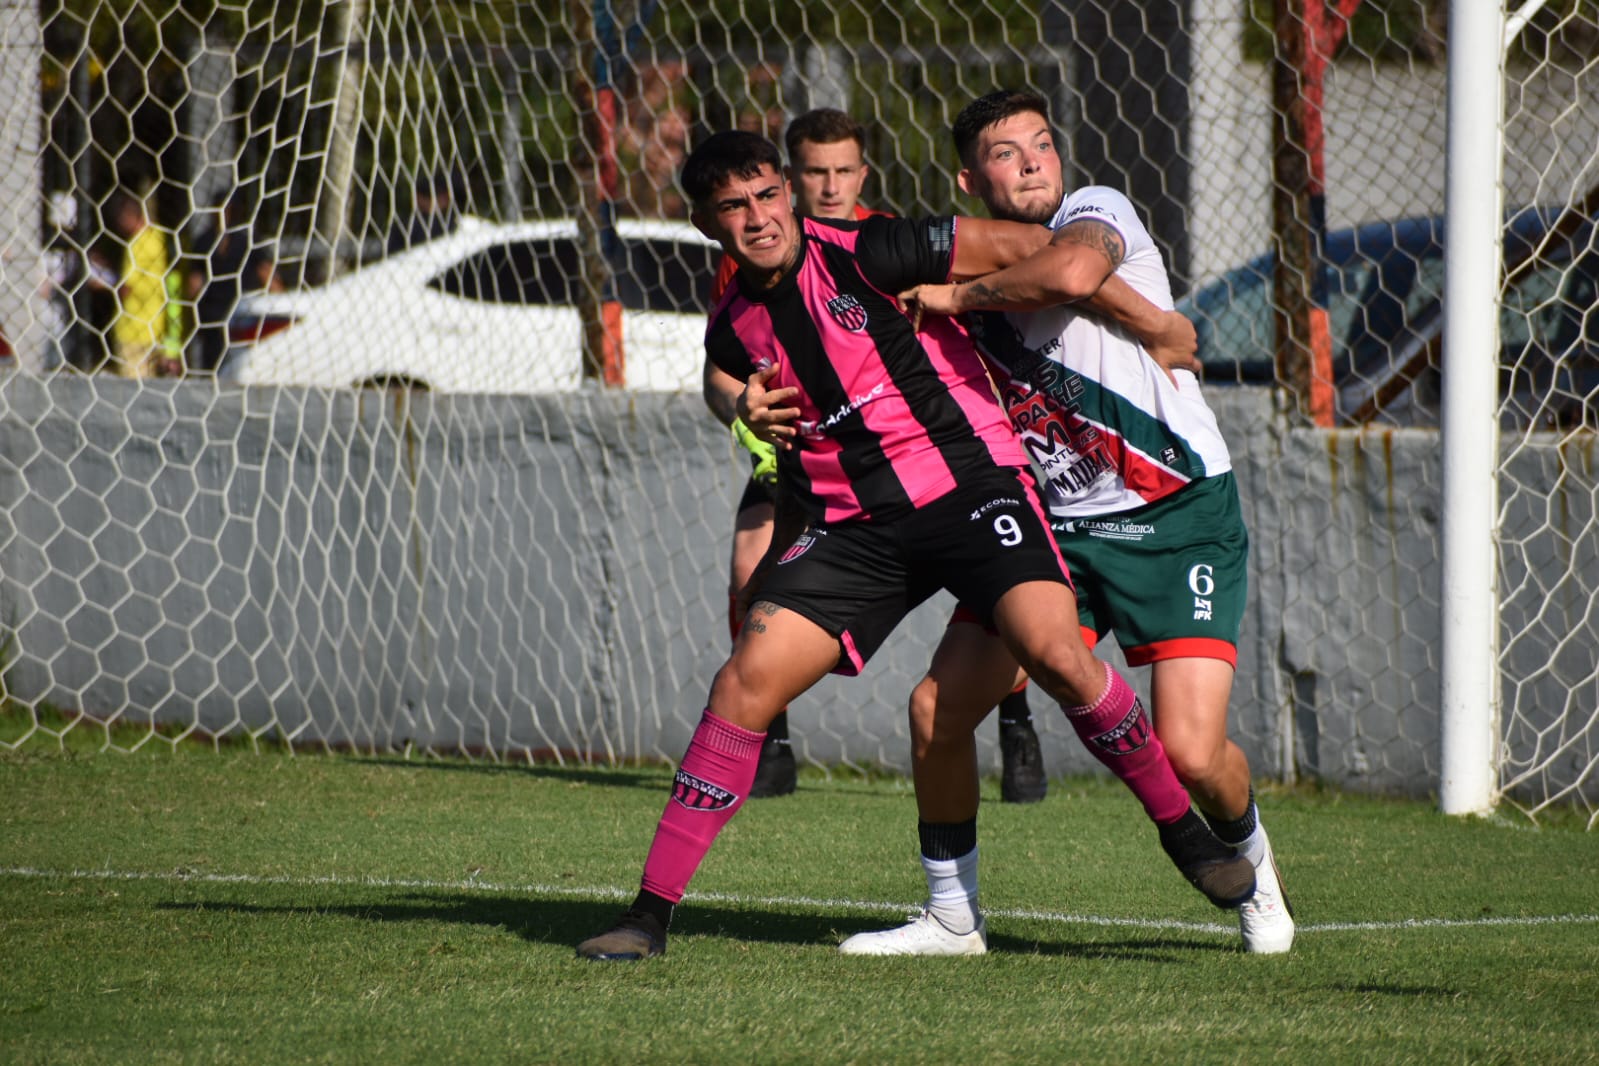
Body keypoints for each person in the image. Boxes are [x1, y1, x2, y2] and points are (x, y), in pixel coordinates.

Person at [575, 130, 1255, 962]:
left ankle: (1184, 835)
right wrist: (743, 413)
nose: (756, 218)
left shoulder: (874, 247)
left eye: (764, 195)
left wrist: (1144, 322)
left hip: (973, 492)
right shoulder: (732, 327)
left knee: (1054, 652)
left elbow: (1042, 251)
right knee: (744, 680)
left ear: (787, 193)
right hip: (855, 529)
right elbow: (732, 390)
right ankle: (647, 914)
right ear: (707, 224)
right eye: (732, 208)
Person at [839, 90, 1294, 956]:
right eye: (1007, 154)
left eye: (1041, 144)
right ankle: (950, 914)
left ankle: (1251, 864)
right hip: (1052, 533)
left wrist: (957, 297)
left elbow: (1074, 276)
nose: (1033, 161)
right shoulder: (952, 273)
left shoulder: (1094, 210)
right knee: (936, 708)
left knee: (1191, 754)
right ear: (969, 179)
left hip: (1176, 515)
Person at [704, 108, 1049, 803]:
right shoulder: (747, 249)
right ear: (790, 178)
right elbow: (721, 365)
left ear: (862, 174)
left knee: (1013, 609)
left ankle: (1016, 721)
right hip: (803, 454)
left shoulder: (876, 240)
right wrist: (740, 406)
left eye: (842, 171)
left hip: (925, 452)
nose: (828, 187)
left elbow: (1001, 274)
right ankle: (767, 743)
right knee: (749, 569)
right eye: (812, 172)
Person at [104, 192, 182, 379]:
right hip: (157, 329)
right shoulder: (161, 238)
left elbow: (127, 288)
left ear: (128, 217)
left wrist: (107, 283)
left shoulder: (139, 244)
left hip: (134, 331)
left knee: (132, 386)